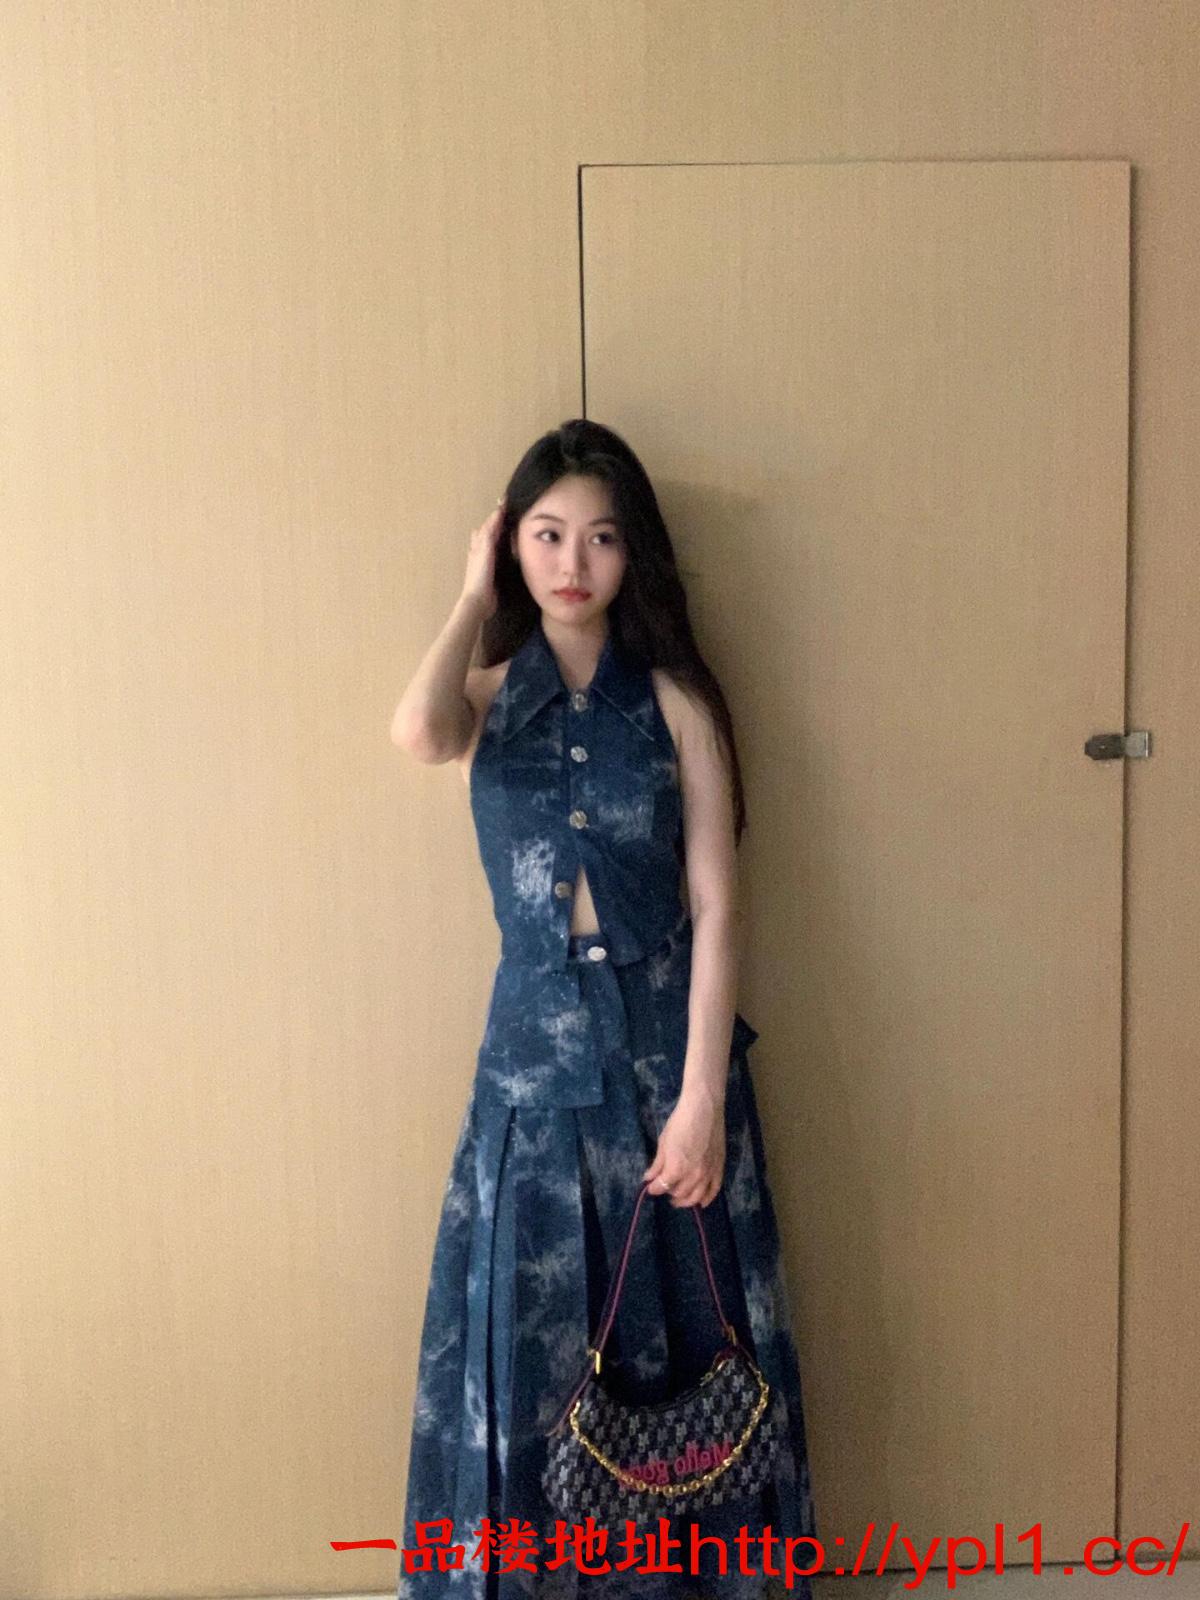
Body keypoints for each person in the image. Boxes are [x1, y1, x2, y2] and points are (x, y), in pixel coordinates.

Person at [391, 420, 815, 1599]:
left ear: (636, 555)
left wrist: (701, 1102)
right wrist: (472, 597)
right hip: (531, 1066)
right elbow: (417, 730)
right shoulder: (488, 696)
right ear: (512, 547)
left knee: (689, 1345)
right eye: (546, 534)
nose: (573, 562)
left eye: (601, 537)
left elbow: (718, 905)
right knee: (533, 1350)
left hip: (667, 1054)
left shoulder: (675, 701)